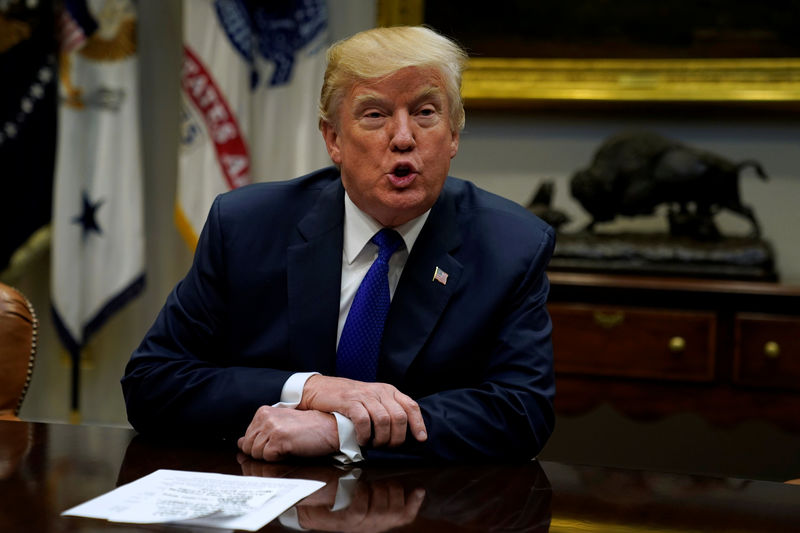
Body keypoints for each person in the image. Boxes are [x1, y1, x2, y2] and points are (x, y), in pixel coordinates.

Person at [121, 26, 556, 462]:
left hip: (424, 506)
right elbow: (153, 382)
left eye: (425, 112)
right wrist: (309, 389)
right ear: (333, 139)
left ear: (454, 134)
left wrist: (341, 429)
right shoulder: (246, 227)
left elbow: (522, 411)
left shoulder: (510, 246)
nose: (404, 137)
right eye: (375, 115)